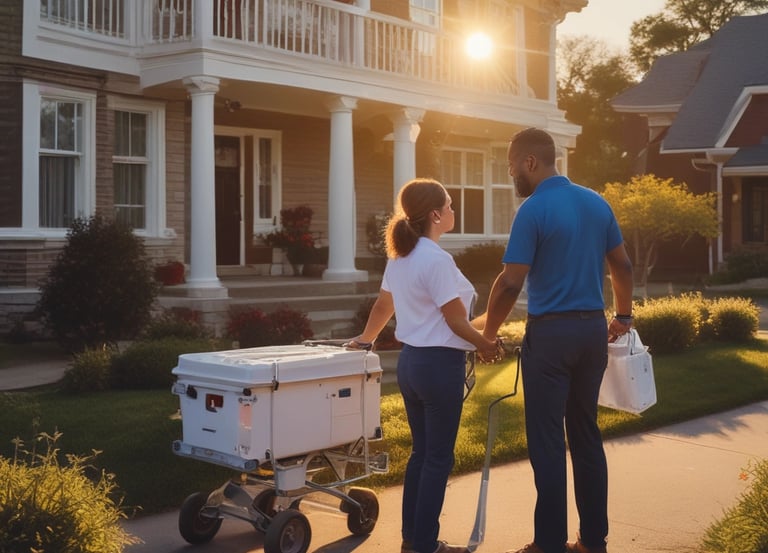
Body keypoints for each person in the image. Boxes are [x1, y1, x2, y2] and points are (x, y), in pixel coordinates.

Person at [478, 128, 634, 553]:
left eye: (512, 166)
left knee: (547, 441)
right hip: (590, 332)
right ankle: (594, 541)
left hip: (550, 337)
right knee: (585, 433)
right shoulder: (596, 202)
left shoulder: (533, 210)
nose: (512, 174)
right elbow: (621, 265)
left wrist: (487, 336)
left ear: (531, 162)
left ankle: (549, 543)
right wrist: (623, 315)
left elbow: (510, 283)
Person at [348, 177, 499, 553]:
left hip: (411, 364)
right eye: (448, 204)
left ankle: (412, 538)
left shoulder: (401, 257)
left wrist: (366, 337)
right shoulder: (437, 259)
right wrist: (485, 345)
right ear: (435, 214)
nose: (453, 209)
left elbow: (385, 305)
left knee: (421, 454)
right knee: (437, 459)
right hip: (438, 367)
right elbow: (455, 321)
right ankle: (426, 544)